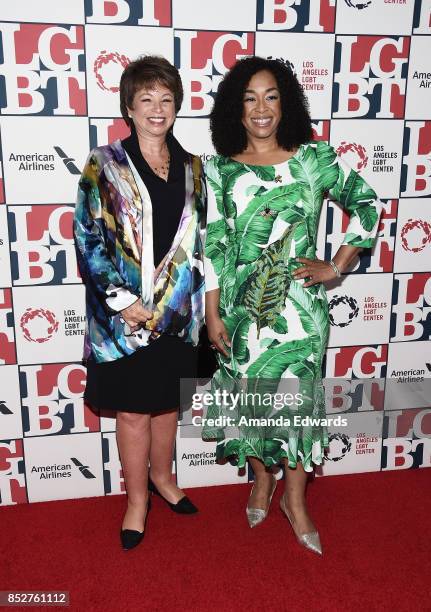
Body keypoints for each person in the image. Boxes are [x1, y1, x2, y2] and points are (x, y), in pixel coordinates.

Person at [203, 56, 382, 555]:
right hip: (242, 313)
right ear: (235, 110)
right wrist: (213, 312)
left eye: (272, 96)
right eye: (250, 98)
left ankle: (296, 501)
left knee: (300, 408)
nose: (261, 108)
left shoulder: (314, 159)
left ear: (286, 103)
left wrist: (338, 264)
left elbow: (367, 204)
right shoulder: (218, 170)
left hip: (301, 310)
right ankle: (261, 482)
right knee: (253, 404)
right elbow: (215, 245)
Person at [74, 56, 206, 550]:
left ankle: (164, 479)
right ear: (128, 106)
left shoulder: (194, 167)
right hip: (122, 317)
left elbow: (201, 245)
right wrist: (121, 300)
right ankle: (136, 500)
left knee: (167, 404)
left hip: (176, 314)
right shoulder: (103, 162)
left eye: (166, 99)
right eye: (146, 99)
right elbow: (88, 238)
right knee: (132, 411)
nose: (157, 108)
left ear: (177, 106)